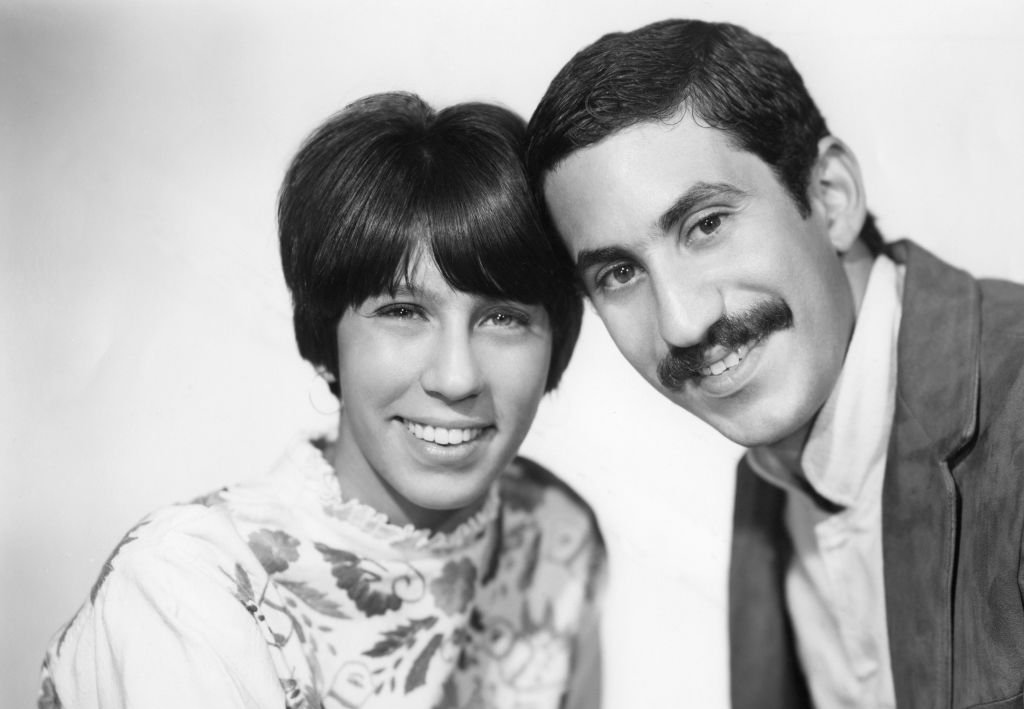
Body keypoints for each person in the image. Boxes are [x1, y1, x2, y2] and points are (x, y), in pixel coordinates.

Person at [39, 92, 603, 709]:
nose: (456, 377)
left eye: (503, 317)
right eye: (402, 312)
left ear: (558, 338)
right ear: (325, 335)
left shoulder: (554, 530)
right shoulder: (187, 584)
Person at [525, 18, 1024, 709]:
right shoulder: (767, 481)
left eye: (705, 225)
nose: (681, 321)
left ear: (831, 196)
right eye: (618, 273)